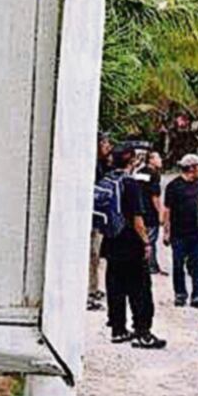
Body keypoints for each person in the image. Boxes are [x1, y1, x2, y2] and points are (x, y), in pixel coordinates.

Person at [101, 143, 167, 349]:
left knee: (115, 287)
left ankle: (118, 329)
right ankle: (142, 332)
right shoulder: (130, 184)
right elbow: (137, 219)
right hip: (131, 243)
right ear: (133, 160)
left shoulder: (107, 179)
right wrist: (146, 242)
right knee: (140, 289)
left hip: (111, 240)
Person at [163, 155, 198, 309]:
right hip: (179, 233)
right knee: (178, 264)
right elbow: (167, 210)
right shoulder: (174, 186)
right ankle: (180, 294)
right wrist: (166, 231)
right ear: (191, 168)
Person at [88, 132, 112, 312]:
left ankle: (93, 288)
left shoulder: (102, 164)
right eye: (105, 142)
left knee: (95, 256)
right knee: (91, 255)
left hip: (98, 217)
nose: (108, 146)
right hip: (92, 216)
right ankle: (88, 291)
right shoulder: (91, 165)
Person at [142, 151, 165, 275]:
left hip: (140, 211)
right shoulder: (154, 175)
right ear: (151, 160)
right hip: (150, 213)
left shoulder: (140, 173)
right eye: (158, 158)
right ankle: (150, 266)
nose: (161, 160)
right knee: (150, 240)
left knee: (143, 239)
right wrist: (161, 213)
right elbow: (155, 196)